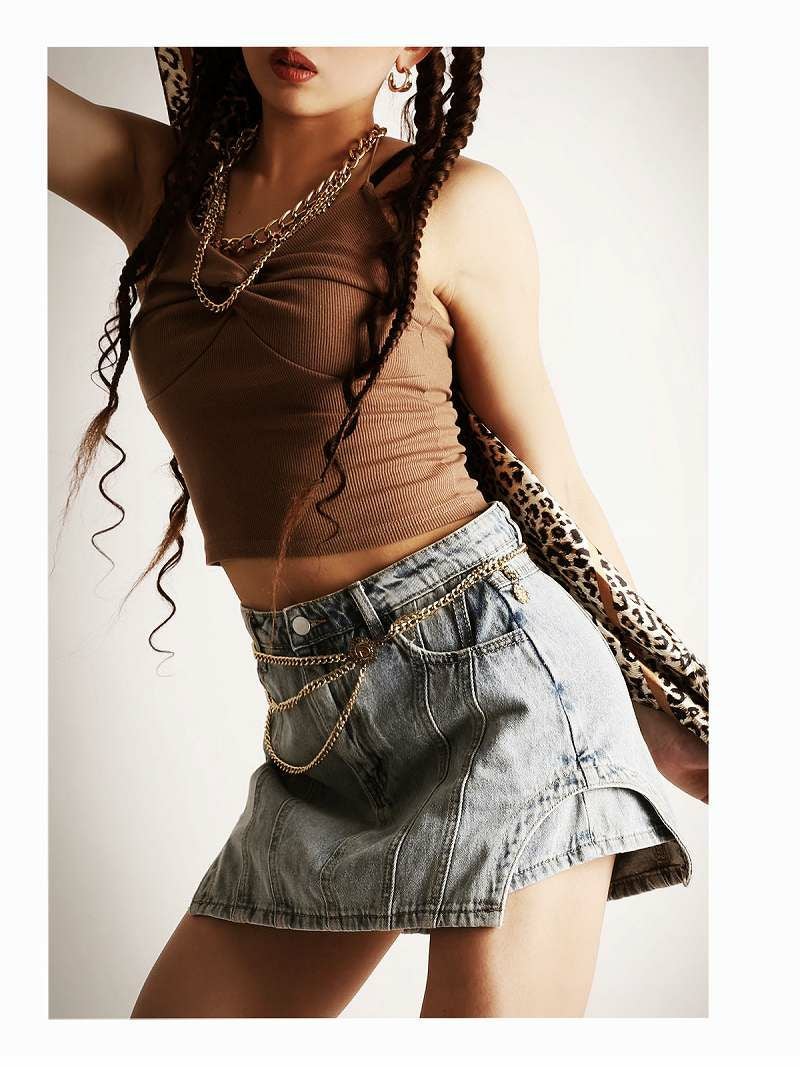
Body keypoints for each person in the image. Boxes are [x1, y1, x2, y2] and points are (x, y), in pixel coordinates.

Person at [48, 45, 702, 1019]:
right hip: (312, 731)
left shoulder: (452, 204)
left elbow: (552, 478)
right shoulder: (156, 184)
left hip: (500, 689)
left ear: (414, 42)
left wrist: (652, 691)